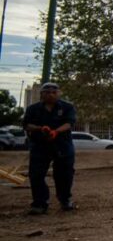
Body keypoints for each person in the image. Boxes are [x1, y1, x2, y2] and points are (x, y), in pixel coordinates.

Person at [23, 82, 77, 214]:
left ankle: (65, 200)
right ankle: (40, 203)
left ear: (59, 94)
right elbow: (26, 124)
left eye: (54, 92)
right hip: (40, 146)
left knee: (64, 174)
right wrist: (40, 128)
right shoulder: (32, 109)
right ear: (41, 94)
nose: (51, 95)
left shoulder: (67, 107)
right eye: (47, 92)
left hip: (62, 146)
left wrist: (56, 132)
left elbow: (69, 124)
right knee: (36, 175)